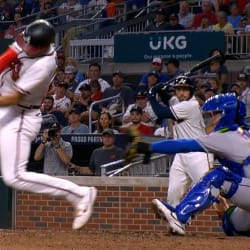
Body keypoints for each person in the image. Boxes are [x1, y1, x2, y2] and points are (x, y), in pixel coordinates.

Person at [0, 19, 97, 230]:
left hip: (19, 114)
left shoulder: (45, 65)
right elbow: (6, 59)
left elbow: (13, 97)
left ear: (43, 46)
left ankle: (81, 194)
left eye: (32, 47)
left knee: (14, 176)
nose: (27, 48)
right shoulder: (34, 34)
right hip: (6, 109)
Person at [132, 93, 250, 237]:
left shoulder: (225, 136)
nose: (210, 119)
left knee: (219, 176)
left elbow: (184, 145)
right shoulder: (242, 132)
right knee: (229, 223)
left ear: (227, 114)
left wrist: (150, 147)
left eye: (215, 114)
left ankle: (180, 217)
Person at [145, 75, 212, 209]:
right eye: (178, 89)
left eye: (185, 89)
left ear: (191, 91)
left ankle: (229, 219)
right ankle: (176, 224)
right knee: (173, 193)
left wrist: (152, 95)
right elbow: (169, 100)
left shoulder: (191, 105)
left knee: (209, 191)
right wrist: (160, 90)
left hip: (198, 154)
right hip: (181, 154)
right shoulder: (178, 101)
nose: (181, 93)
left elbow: (162, 112)